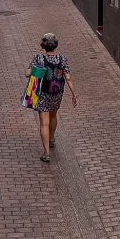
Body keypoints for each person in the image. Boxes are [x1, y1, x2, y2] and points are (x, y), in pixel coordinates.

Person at [26, 32, 76, 162]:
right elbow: (68, 77)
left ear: (43, 45)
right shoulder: (62, 59)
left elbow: (27, 73)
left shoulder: (38, 58)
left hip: (42, 93)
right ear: (55, 45)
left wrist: (34, 71)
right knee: (53, 115)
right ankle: (52, 138)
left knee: (44, 122)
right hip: (57, 93)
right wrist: (73, 93)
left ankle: (46, 153)